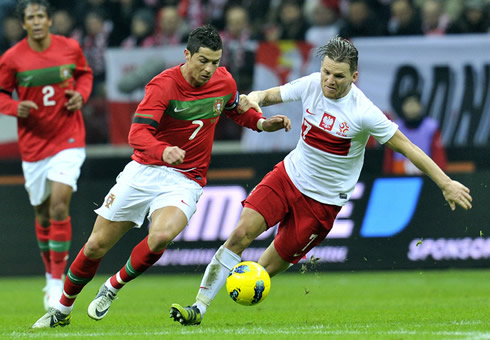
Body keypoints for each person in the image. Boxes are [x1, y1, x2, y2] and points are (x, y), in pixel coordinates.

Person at [170, 36, 473, 326]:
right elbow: (271, 94)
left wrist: (445, 182)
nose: (329, 80)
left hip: (321, 204)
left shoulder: (364, 113)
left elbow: (408, 147)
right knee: (240, 234)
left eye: (338, 76)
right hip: (287, 177)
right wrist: (255, 97)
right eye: (326, 72)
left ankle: (236, 289)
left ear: (354, 76)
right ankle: (198, 307)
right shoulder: (311, 85)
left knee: (261, 272)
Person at [31, 24, 291, 329]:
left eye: (215, 62)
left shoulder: (224, 82)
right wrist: (162, 150)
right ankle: (61, 310)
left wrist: (262, 124)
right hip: (144, 170)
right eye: (203, 61)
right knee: (95, 247)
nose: (209, 69)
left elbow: (233, 109)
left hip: (185, 178)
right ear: (187, 55)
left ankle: (113, 286)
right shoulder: (163, 85)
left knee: (161, 236)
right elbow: (137, 133)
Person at [0, 0, 93, 311]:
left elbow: (85, 75)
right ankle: (49, 275)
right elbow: (1, 95)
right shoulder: (12, 59)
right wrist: (14, 107)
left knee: (58, 203)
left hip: (68, 139)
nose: (37, 21)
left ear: (50, 21)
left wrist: (81, 95)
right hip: (33, 146)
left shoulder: (69, 48)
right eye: (30, 17)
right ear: (24, 24)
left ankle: (57, 281)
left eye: (41, 15)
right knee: (42, 213)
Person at [383, 92, 447, 175]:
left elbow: (439, 159)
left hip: (426, 177)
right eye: (408, 104)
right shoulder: (394, 128)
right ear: (402, 107)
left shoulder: (431, 128)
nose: (411, 108)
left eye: (414, 104)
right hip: (398, 179)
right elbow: (388, 161)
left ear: (420, 106)